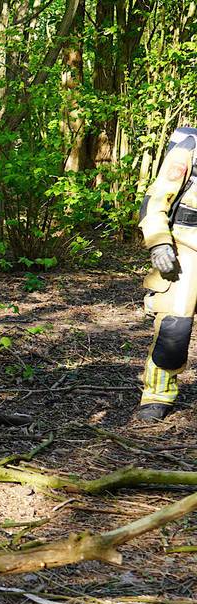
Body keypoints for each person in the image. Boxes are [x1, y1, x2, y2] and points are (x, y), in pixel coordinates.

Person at [136, 125, 197, 421]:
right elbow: (156, 200)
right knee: (175, 325)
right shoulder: (188, 149)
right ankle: (157, 394)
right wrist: (159, 243)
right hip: (187, 247)